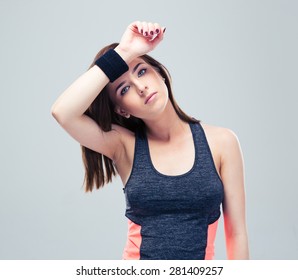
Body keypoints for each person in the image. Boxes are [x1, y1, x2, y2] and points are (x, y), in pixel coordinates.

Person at [51, 21, 249, 260]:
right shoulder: (124, 146)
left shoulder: (222, 143)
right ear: (122, 110)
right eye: (124, 89)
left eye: (142, 71)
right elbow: (63, 112)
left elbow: (236, 234)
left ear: (160, 74)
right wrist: (124, 52)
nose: (140, 87)